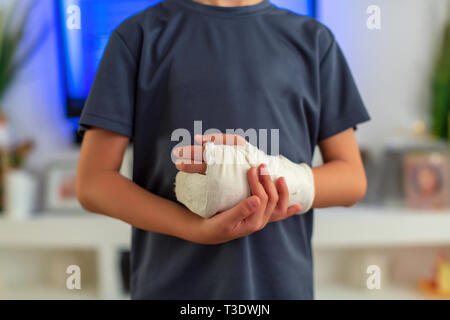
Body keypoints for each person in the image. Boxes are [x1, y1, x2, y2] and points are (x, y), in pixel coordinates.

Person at [76, 0, 371, 299]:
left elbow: (352, 180)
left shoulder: (314, 41)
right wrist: (194, 228)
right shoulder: (137, 37)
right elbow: (93, 182)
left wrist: (277, 179)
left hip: (278, 289)